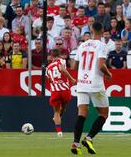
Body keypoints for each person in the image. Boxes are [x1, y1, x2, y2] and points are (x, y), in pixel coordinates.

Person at [70, 21, 112, 155]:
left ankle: (75, 143)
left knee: (82, 114)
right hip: (95, 84)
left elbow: (74, 67)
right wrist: (108, 73)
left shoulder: (82, 45)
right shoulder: (102, 45)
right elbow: (100, 65)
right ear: (102, 30)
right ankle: (88, 138)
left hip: (82, 83)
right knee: (103, 114)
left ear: (91, 29)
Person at [46, 49, 76, 138]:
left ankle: (59, 132)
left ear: (51, 57)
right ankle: (60, 116)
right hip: (64, 89)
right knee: (64, 106)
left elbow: (50, 80)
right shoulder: (61, 61)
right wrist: (71, 79)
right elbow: (61, 69)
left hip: (55, 90)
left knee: (56, 111)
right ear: (59, 55)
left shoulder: (48, 67)